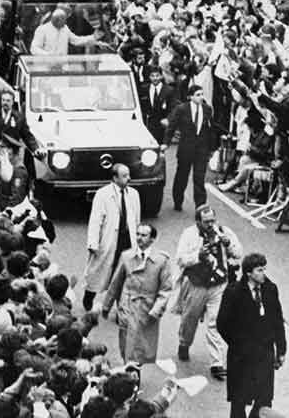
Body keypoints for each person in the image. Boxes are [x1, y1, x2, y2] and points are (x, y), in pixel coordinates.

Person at [174, 203, 242, 379]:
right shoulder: (189, 235)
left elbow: (238, 253)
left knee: (216, 322)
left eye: (212, 220)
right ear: (198, 221)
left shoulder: (223, 231)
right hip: (196, 284)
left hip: (218, 284)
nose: (210, 225)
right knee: (190, 318)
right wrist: (198, 256)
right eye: (206, 222)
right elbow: (180, 259)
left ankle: (216, 363)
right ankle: (184, 343)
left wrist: (228, 245)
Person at [216, 252, 287, 418]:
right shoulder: (233, 292)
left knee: (264, 401)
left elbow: (277, 320)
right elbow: (222, 323)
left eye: (264, 269)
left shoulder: (270, 289)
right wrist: (237, 343)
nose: (264, 273)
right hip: (241, 356)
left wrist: (281, 350)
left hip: (264, 353)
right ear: (248, 273)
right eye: (260, 270)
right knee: (239, 401)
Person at [99, 222, 173, 365]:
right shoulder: (126, 256)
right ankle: (130, 372)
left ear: (152, 239)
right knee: (126, 344)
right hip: (127, 304)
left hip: (147, 308)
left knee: (142, 347)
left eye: (144, 235)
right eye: (138, 234)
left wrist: (156, 310)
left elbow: (166, 289)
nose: (139, 238)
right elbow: (116, 283)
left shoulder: (161, 260)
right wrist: (106, 305)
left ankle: (133, 375)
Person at [82, 163, 141, 312]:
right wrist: (93, 243)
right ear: (115, 178)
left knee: (123, 273)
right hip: (108, 240)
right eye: (124, 176)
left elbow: (137, 219)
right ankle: (89, 296)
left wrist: (138, 239)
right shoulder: (102, 194)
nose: (129, 178)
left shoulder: (133, 194)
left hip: (127, 240)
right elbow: (95, 220)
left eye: (128, 175)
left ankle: (120, 306)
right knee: (99, 271)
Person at [162, 81, 215, 211]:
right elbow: (172, 126)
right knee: (182, 176)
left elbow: (210, 130)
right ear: (190, 96)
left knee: (199, 178)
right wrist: (166, 143)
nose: (201, 97)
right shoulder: (182, 109)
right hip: (186, 148)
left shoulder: (207, 109)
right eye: (197, 95)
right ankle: (178, 201)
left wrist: (212, 148)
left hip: (201, 149)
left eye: (202, 94)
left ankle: (200, 206)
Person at [30, 6, 97, 56]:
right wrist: (48, 55)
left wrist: (94, 37)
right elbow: (34, 49)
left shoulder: (65, 28)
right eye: (63, 21)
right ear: (56, 19)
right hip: (45, 67)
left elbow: (76, 40)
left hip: (62, 67)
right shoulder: (42, 29)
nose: (65, 23)